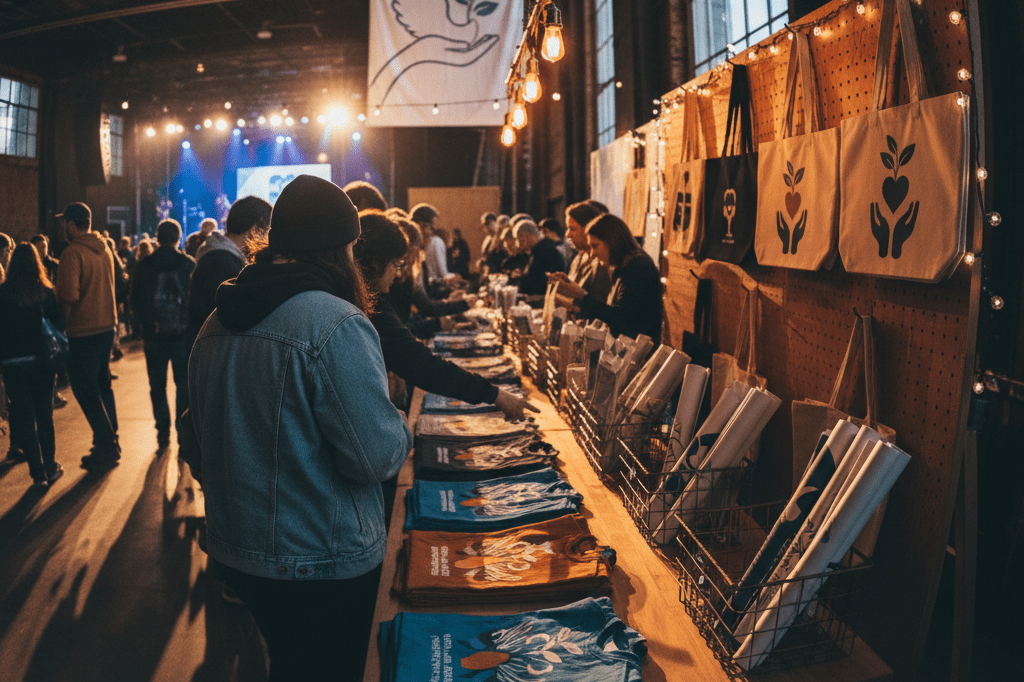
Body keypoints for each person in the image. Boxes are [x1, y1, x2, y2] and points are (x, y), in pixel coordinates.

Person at [186, 175, 411, 681]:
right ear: (339, 251)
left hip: (241, 554)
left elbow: (199, 434)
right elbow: (375, 457)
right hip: (321, 559)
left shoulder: (215, 324)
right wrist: (396, 416)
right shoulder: (334, 322)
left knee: (288, 664)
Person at [54, 202, 121, 470]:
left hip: (82, 331)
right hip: (106, 327)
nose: (62, 228)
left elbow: (68, 296)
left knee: (85, 390)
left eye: (64, 223)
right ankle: (111, 437)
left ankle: (106, 446)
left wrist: (61, 331)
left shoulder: (73, 253)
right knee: (103, 385)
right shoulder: (104, 249)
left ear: (72, 224)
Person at [0, 244, 65, 487]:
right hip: (41, 362)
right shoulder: (45, 293)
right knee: (44, 416)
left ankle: (37, 473)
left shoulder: (2, 293)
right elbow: (59, 323)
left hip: (12, 364)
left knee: (25, 418)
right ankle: (50, 466)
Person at [130, 219, 196, 448]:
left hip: (154, 336)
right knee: (183, 385)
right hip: (182, 336)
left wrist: (142, 326)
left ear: (157, 238)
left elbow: (135, 299)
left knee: (157, 386)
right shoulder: (188, 264)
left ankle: (162, 430)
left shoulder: (144, 264)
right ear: (179, 238)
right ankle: (181, 430)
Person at [554, 213, 663, 342]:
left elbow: (621, 319)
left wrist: (582, 295)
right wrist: (575, 292)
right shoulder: (624, 267)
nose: (593, 254)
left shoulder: (638, 268)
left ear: (612, 242)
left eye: (595, 246)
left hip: (637, 355)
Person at [187, 195, 272, 334]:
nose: (267, 242)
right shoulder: (223, 264)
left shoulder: (215, 255)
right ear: (254, 230)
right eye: (267, 233)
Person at [549, 200, 613, 304]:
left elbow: (601, 305)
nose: (567, 235)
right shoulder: (579, 257)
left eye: (572, 229)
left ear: (589, 229)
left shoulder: (604, 261)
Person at [514, 219, 565, 296]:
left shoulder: (546, 251)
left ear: (527, 236)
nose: (518, 244)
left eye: (519, 239)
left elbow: (541, 282)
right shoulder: (537, 250)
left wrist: (521, 278)